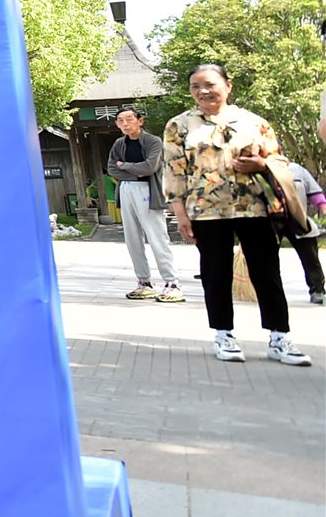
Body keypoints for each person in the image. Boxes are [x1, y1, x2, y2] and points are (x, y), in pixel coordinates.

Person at [163, 63, 312, 367]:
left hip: (254, 207)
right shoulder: (179, 126)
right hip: (205, 211)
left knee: (267, 272)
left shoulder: (253, 122)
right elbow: (174, 172)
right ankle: (224, 334)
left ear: (227, 86)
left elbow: (278, 160)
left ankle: (279, 337)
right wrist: (180, 215)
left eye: (210, 84)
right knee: (215, 274)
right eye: (195, 86)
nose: (203, 91)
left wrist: (261, 164)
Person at [107, 108, 182, 302]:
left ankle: (172, 283)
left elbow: (150, 167)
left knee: (157, 237)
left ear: (140, 121)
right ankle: (144, 282)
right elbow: (112, 169)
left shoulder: (153, 141)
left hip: (148, 190)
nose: (125, 124)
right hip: (126, 189)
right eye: (120, 120)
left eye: (129, 119)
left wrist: (125, 166)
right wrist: (134, 172)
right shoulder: (119, 143)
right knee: (132, 238)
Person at [282, 160, 325, 306]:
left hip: (298, 219)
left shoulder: (296, 169)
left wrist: (323, 207)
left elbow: (314, 192)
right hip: (270, 221)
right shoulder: (257, 168)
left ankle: (317, 290)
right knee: (265, 259)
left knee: (310, 257)